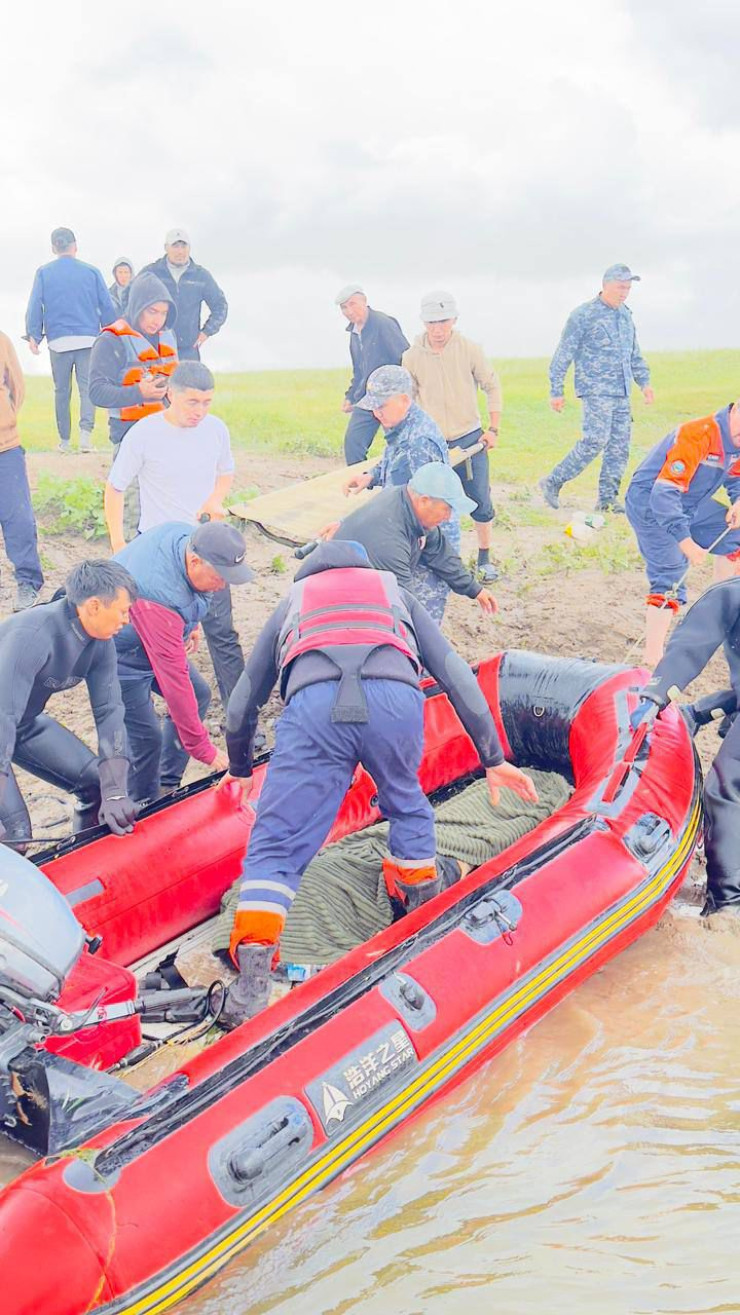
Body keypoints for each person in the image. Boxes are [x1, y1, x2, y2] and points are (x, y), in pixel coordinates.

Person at [217, 538, 537, 1026]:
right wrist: (492, 757)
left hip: (314, 709)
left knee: (276, 844)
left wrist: (240, 767)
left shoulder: (293, 601)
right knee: (405, 802)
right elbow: (454, 674)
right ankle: (419, 912)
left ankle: (252, 986)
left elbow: (242, 704)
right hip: (395, 703)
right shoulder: (395, 592)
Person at [104, 361, 244, 708]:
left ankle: (240, 712)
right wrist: (119, 544)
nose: (200, 411)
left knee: (221, 632)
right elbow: (115, 487)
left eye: (207, 402)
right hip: (159, 554)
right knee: (152, 638)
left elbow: (225, 472)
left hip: (207, 550)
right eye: (192, 403)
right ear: (171, 395)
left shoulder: (216, 430)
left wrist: (215, 498)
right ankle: (149, 709)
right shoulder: (144, 433)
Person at [112, 520, 254, 803]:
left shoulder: (187, 537)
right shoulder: (157, 597)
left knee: (200, 694)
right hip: (117, 653)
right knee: (145, 737)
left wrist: (190, 627)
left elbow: (194, 593)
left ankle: (166, 782)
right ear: (195, 560)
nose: (223, 585)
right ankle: (141, 805)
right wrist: (203, 749)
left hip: (153, 634)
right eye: (219, 577)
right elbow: (174, 681)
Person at [0, 559, 138, 846]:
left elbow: (110, 711)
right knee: (16, 834)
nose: (127, 620)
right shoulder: (31, 636)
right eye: (123, 612)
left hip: (24, 723)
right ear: (95, 606)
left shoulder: (101, 644)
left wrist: (115, 791)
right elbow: (4, 715)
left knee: (98, 783)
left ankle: (80, 861)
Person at [631, 576, 740, 916]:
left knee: (725, 791)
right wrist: (698, 712)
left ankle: (728, 903)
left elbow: (689, 648)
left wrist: (655, 695)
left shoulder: (729, 593)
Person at [624, 401, 740, 666]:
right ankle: (652, 659)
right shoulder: (697, 433)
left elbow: (736, 477)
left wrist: (738, 500)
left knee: (736, 538)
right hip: (650, 505)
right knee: (671, 572)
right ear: (736, 411)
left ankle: (718, 612)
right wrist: (685, 542)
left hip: (690, 504)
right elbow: (663, 495)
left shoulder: (736, 442)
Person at [342, 364, 458, 621]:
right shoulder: (402, 427)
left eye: (381, 406)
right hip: (411, 536)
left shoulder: (419, 441)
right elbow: (393, 460)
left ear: (404, 400)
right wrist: (371, 476)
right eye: (373, 406)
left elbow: (422, 506)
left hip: (428, 547)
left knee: (418, 621)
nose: (376, 413)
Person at [402, 290, 502, 582]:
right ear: (423, 322)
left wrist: (493, 429)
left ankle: (484, 558)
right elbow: (407, 400)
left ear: (454, 320)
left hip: (470, 439)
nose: (438, 329)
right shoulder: (410, 356)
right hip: (433, 443)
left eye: (443, 322)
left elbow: (492, 386)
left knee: (479, 501)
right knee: (428, 502)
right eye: (432, 323)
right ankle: (429, 556)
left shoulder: (469, 349)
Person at [540, 264, 653, 513]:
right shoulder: (583, 314)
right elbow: (563, 353)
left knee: (619, 446)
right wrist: (556, 390)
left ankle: (607, 499)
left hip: (622, 392)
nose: (624, 292)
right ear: (605, 285)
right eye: (620, 287)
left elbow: (634, 354)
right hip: (596, 390)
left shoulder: (625, 316)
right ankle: (553, 481)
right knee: (595, 440)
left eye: (628, 288)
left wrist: (644, 383)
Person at [330, 463, 498, 621]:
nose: (448, 517)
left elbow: (440, 552)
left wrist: (475, 589)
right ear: (425, 500)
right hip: (339, 605)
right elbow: (405, 605)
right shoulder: (389, 540)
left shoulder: (408, 504)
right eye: (447, 509)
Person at [24, 227, 116, 453]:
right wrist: (111, 332)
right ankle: (85, 438)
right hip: (87, 338)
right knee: (86, 388)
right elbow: (107, 305)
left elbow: (35, 304)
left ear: (54, 248)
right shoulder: (92, 272)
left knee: (61, 391)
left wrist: (34, 334)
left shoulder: (44, 272)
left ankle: (64, 442)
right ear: (75, 246)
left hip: (58, 340)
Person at [88, 272, 178, 453]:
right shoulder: (110, 340)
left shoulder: (169, 336)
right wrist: (138, 393)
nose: (158, 320)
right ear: (137, 307)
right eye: (152, 311)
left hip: (169, 432)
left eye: (163, 313)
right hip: (130, 437)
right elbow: (96, 392)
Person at [335, 284, 409, 464]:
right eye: (344, 307)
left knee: (399, 445)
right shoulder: (354, 333)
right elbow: (360, 370)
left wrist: (401, 396)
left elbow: (405, 358)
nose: (349, 311)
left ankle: (400, 488)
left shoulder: (383, 323)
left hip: (391, 396)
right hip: (368, 397)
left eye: (352, 304)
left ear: (364, 302)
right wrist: (351, 396)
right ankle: (361, 485)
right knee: (353, 443)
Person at [0, 330, 44, 611]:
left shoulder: (1, 340)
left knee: (19, 519)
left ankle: (28, 583)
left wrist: (6, 419)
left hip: (6, 447)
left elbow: (17, 387)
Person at [141, 229, 228, 362]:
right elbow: (131, 301)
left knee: (189, 383)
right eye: (175, 246)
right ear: (166, 248)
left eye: (183, 246)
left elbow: (220, 305)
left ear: (189, 248)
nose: (180, 251)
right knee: (157, 383)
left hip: (188, 351)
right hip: (154, 347)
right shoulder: (151, 273)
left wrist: (207, 331)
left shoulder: (201, 276)